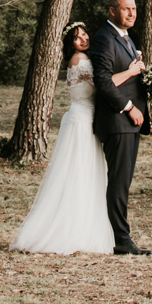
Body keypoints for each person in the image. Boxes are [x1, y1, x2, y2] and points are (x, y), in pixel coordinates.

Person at [10, 21, 114, 255]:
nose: (84, 39)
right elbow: (104, 83)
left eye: (85, 34)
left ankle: (83, 227)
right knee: (78, 174)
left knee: (84, 172)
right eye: (77, 38)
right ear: (71, 44)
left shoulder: (84, 59)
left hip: (85, 118)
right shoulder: (80, 60)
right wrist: (131, 70)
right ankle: (70, 231)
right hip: (81, 121)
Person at [89, 0, 152, 256]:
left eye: (134, 9)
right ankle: (121, 239)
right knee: (119, 181)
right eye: (126, 9)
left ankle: (117, 235)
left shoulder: (125, 37)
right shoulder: (105, 38)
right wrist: (129, 107)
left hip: (129, 123)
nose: (131, 13)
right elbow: (103, 82)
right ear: (112, 11)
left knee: (122, 181)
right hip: (118, 121)